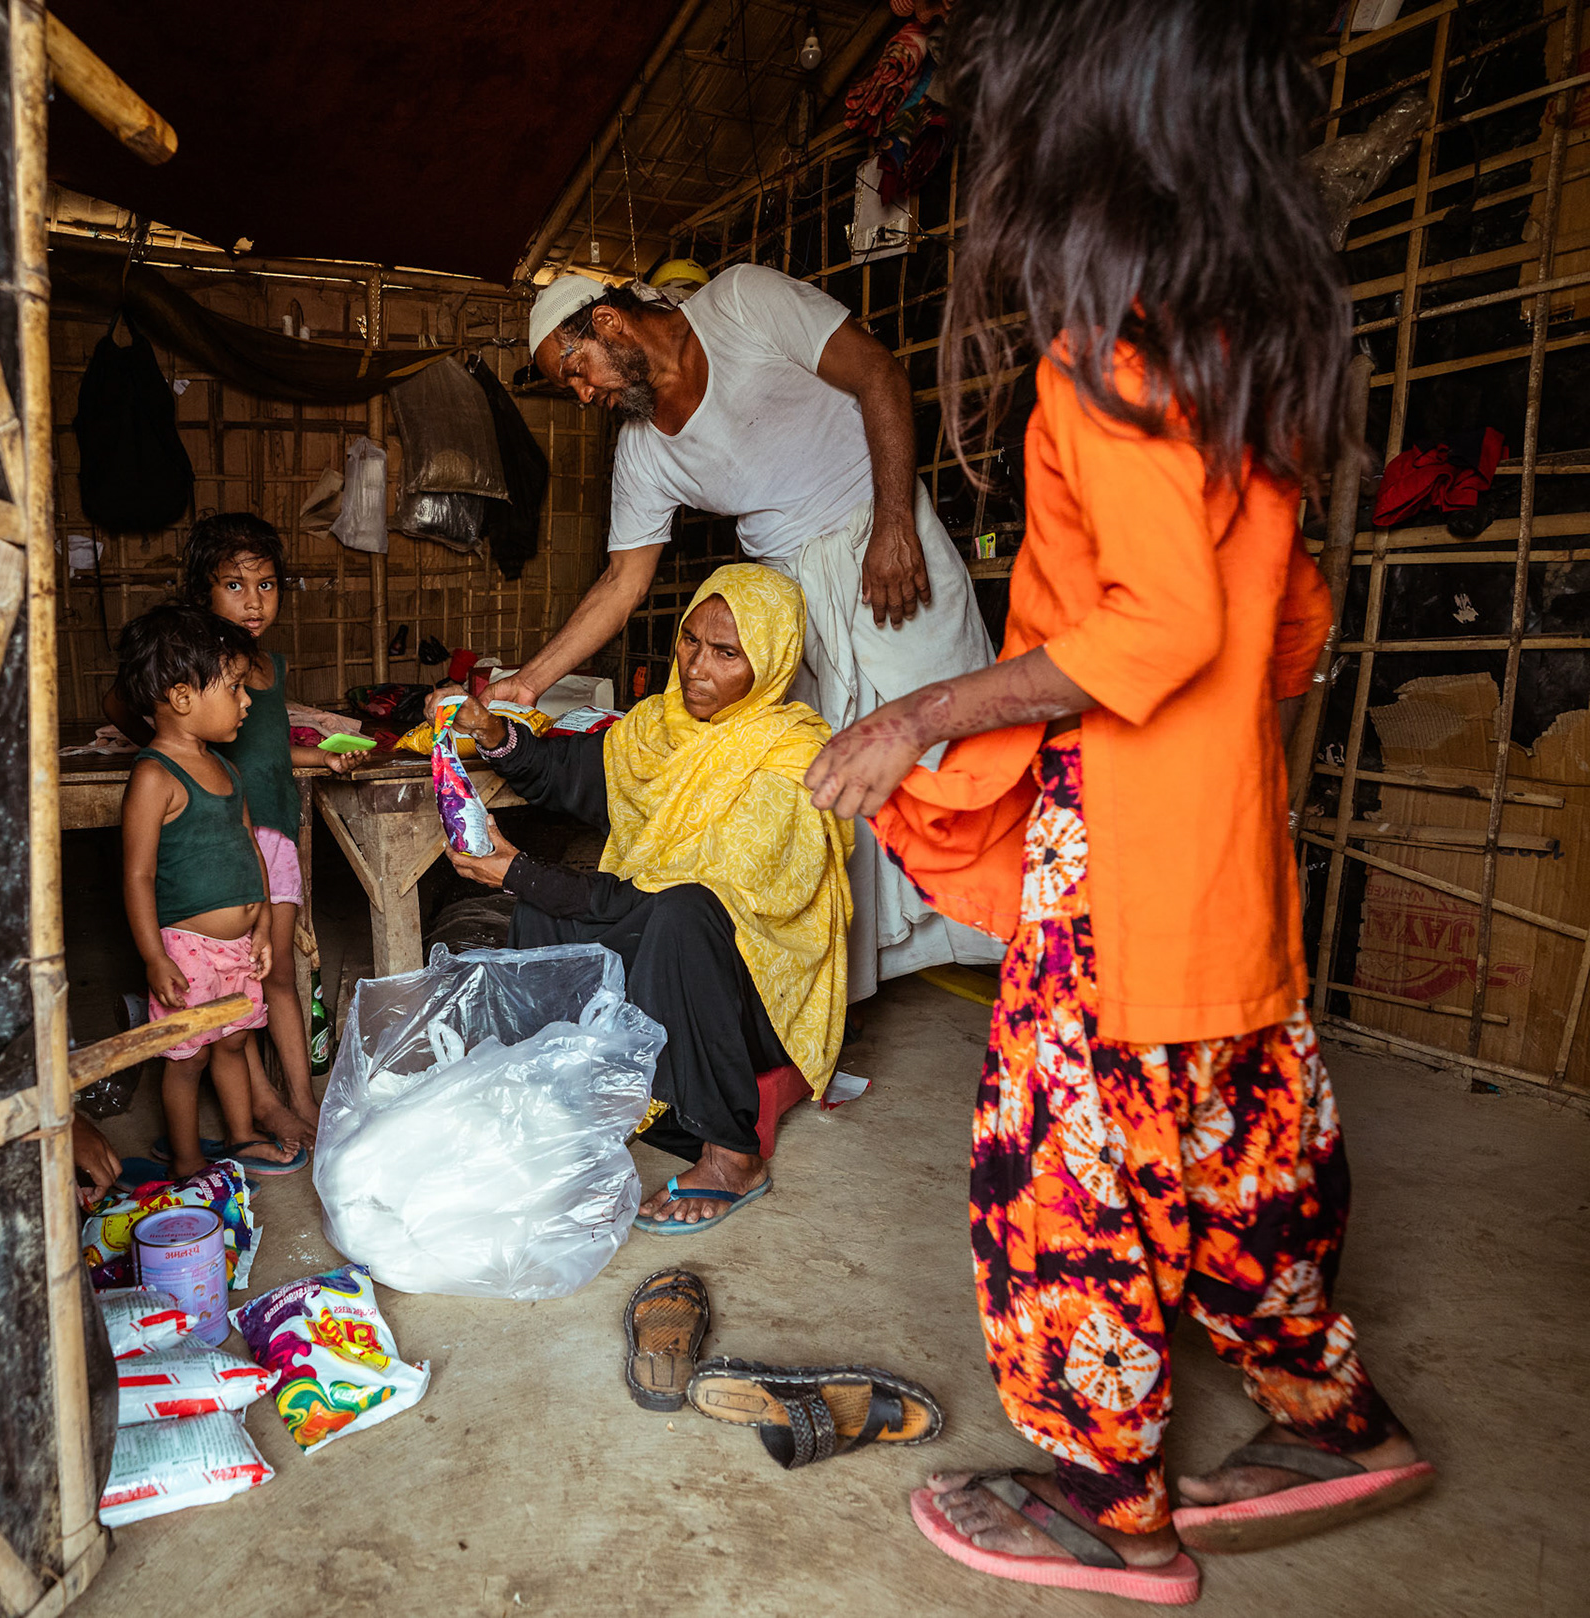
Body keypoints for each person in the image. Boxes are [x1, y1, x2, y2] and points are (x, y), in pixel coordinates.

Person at [804, 0, 1433, 1600]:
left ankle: (1111, 1501)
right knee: (1241, 1152)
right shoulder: (1262, 342)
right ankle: (1329, 1413)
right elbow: (1288, 632)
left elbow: (1160, 627)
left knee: (1061, 1186)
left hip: (1128, 873)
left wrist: (922, 717)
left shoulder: (1111, 353)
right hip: (1232, 850)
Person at [490, 262, 999, 1004]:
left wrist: (895, 522)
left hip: (882, 535)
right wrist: (528, 683)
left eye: (576, 370)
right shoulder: (644, 450)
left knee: (954, 745)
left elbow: (879, 375)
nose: (583, 393)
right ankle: (849, 985)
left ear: (607, 323)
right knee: (832, 779)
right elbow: (622, 584)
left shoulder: (743, 305)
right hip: (792, 601)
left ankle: (1009, 936)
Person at [428, 565, 852, 1229]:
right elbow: (570, 777)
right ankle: (562, 1099)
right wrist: (490, 732)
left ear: (771, 662)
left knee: (679, 913)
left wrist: (517, 870)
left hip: (750, 1002)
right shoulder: (661, 726)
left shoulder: (790, 761)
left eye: (726, 653)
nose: (697, 668)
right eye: (690, 642)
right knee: (545, 912)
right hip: (670, 948)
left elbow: (664, 905)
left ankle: (731, 1155)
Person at [104, 516, 319, 1148]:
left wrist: (258, 922)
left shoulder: (234, 734)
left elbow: (265, 786)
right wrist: (151, 955)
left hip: (256, 875)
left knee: (246, 1012)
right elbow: (138, 873)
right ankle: (215, 1143)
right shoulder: (164, 766)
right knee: (196, 1044)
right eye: (234, 585)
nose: (254, 600)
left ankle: (274, 1115)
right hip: (193, 922)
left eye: (268, 584)